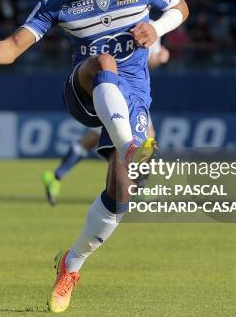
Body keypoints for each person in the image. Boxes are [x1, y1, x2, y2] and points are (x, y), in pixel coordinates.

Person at [0, 0, 189, 313]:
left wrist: (157, 27)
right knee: (102, 61)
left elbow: (181, 7)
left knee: (120, 199)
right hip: (84, 88)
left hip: (133, 97)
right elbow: (13, 47)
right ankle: (129, 142)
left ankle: (71, 264)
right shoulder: (60, 2)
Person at [42, 41, 170, 205]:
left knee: (93, 138)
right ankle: (140, 188)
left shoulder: (142, 21)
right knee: (146, 135)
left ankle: (55, 176)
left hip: (105, 85)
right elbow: (144, 62)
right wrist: (160, 58)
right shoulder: (149, 25)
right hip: (126, 92)